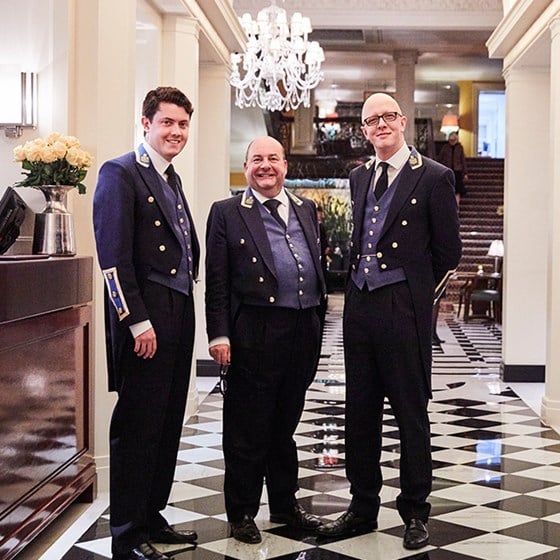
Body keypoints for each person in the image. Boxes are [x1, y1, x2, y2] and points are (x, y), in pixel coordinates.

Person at [316, 93, 461, 550]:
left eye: (387, 117)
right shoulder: (359, 176)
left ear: (402, 122)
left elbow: (449, 253)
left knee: (410, 415)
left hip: (404, 309)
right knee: (359, 413)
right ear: (363, 129)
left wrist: (414, 295)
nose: (379, 125)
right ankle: (362, 508)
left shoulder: (435, 177)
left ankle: (415, 513)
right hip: (358, 309)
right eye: (370, 120)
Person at [93, 87, 200, 560]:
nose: (176, 132)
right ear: (145, 123)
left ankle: (151, 514)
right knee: (137, 426)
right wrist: (135, 322)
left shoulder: (170, 178)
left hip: (178, 312)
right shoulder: (120, 173)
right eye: (167, 123)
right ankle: (126, 534)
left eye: (182, 125)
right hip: (146, 318)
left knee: (167, 421)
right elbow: (113, 261)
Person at [205, 136, 326, 544]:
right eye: (257, 159)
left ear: (285, 165)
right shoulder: (226, 213)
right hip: (253, 331)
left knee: (285, 425)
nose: (266, 166)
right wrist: (219, 334)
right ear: (246, 166)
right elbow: (217, 281)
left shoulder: (307, 209)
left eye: (273, 158)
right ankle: (241, 512)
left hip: (302, 329)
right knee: (246, 427)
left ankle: (285, 506)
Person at [437, 131, 468, 204]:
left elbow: (462, 159)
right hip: (448, 169)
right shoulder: (445, 147)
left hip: (457, 170)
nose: (452, 142)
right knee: (448, 187)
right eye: (451, 140)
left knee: (458, 189)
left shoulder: (460, 147)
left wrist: (465, 172)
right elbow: (440, 158)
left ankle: (457, 205)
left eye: (453, 140)